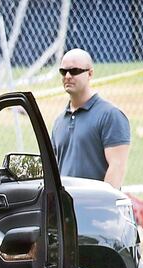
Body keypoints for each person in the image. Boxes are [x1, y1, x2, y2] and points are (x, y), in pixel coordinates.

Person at [51, 48, 130, 190]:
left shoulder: (110, 115)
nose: (68, 76)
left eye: (74, 71)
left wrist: (102, 201)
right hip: (66, 203)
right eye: (63, 71)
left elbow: (117, 167)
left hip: (95, 202)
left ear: (90, 73)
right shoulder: (59, 122)